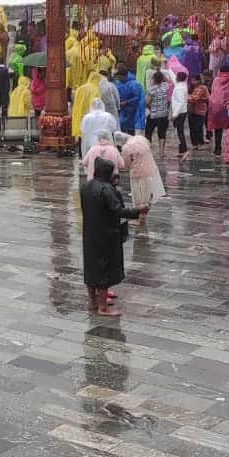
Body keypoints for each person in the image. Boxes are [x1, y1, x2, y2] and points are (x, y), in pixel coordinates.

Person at [80, 157, 147, 317]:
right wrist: (138, 210)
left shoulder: (85, 186)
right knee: (104, 268)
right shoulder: (107, 190)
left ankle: (92, 302)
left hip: (89, 233)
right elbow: (118, 211)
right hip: (106, 234)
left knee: (91, 267)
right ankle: (103, 308)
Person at [207, 69, 229, 155]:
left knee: (217, 129)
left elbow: (213, 92)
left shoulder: (216, 80)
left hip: (216, 107)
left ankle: (217, 148)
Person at [144, 70, 172, 154]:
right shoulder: (166, 87)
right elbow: (169, 100)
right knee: (162, 133)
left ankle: (148, 151)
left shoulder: (151, 90)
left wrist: (151, 107)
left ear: (154, 79)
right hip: (164, 114)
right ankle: (161, 152)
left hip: (153, 114)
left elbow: (147, 102)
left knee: (148, 133)